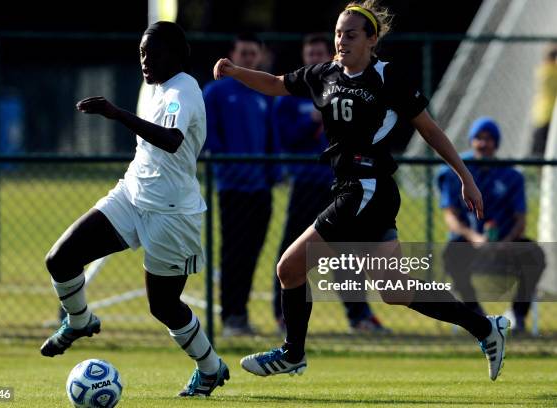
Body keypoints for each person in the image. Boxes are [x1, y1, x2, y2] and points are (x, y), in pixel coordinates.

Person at [212, 0, 509, 381]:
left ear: (372, 40)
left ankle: (292, 353)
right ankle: (486, 328)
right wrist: (236, 71)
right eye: (338, 33)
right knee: (395, 290)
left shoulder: (388, 78)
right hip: (358, 190)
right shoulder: (325, 75)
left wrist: (466, 176)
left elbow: (430, 130)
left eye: (350, 34)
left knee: (289, 267)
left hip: (365, 189)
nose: (341, 40)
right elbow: (274, 84)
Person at [40, 22, 229, 397]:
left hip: (172, 215)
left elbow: (172, 141)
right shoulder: (156, 87)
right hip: (131, 195)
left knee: (163, 306)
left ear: (175, 55)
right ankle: (79, 321)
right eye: (141, 53)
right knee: (60, 259)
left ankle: (210, 368)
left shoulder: (183, 91)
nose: (145, 60)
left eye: (153, 53)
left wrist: (116, 113)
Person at [273, 33, 388, 334]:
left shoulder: (344, 88)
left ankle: (359, 315)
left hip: (338, 185)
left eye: (318, 53)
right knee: (291, 250)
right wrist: (310, 120)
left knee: (345, 251)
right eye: (308, 54)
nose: (313, 59)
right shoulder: (294, 97)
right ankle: (281, 315)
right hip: (305, 183)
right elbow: (284, 137)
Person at [439, 117, 545, 333]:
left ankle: (517, 315)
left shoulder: (512, 176)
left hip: (504, 245)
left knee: (534, 254)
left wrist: (505, 242)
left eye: (488, 139)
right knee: (451, 253)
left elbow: (521, 219)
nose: (483, 144)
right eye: (478, 138)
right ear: (471, 141)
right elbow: (450, 215)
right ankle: (475, 315)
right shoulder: (455, 173)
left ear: (496, 143)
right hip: (471, 242)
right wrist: (474, 237)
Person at [203, 33, 278, 336]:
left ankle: (242, 314)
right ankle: (230, 316)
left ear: (258, 57)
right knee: (233, 252)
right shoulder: (216, 92)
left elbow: (272, 137)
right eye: (243, 53)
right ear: (233, 54)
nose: (248, 58)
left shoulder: (264, 92)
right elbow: (210, 136)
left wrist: (274, 173)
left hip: (261, 187)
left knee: (252, 252)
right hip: (232, 187)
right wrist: (228, 166)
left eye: (253, 54)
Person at [530, 43, 557, 157]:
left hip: (541, 116)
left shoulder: (542, 70)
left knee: (539, 150)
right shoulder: (550, 72)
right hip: (548, 117)